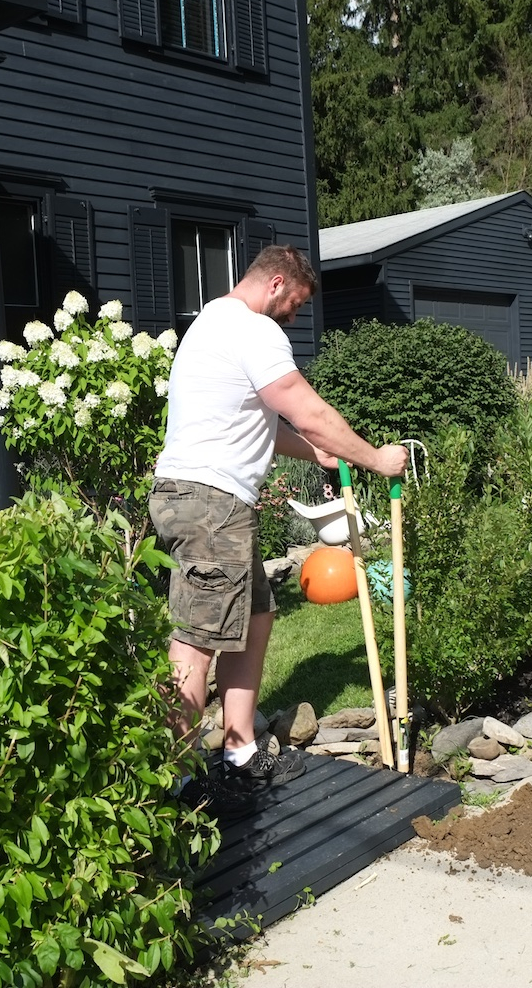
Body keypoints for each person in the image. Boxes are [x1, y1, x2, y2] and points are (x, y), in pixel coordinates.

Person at [149, 244, 410, 816]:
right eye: (293, 304)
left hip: (194, 497)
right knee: (196, 639)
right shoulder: (255, 330)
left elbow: (254, 417)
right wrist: (373, 458)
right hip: (210, 504)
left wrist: (316, 453)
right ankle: (173, 782)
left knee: (257, 614)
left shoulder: (209, 322)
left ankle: (240, 752)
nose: (293, 317)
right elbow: (305, 408)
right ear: (273, 284)